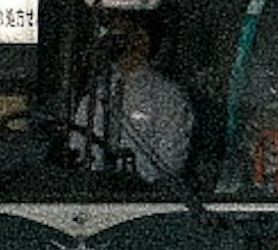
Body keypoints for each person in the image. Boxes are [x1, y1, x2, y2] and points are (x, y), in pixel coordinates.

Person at [69, 13, 196, 182]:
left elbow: (170, 162)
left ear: (143, 39)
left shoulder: (168, 97)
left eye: (123, 34)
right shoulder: (95, 93)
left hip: (142, 201)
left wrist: (128, 185)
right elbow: (78, 149)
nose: (115, 41)